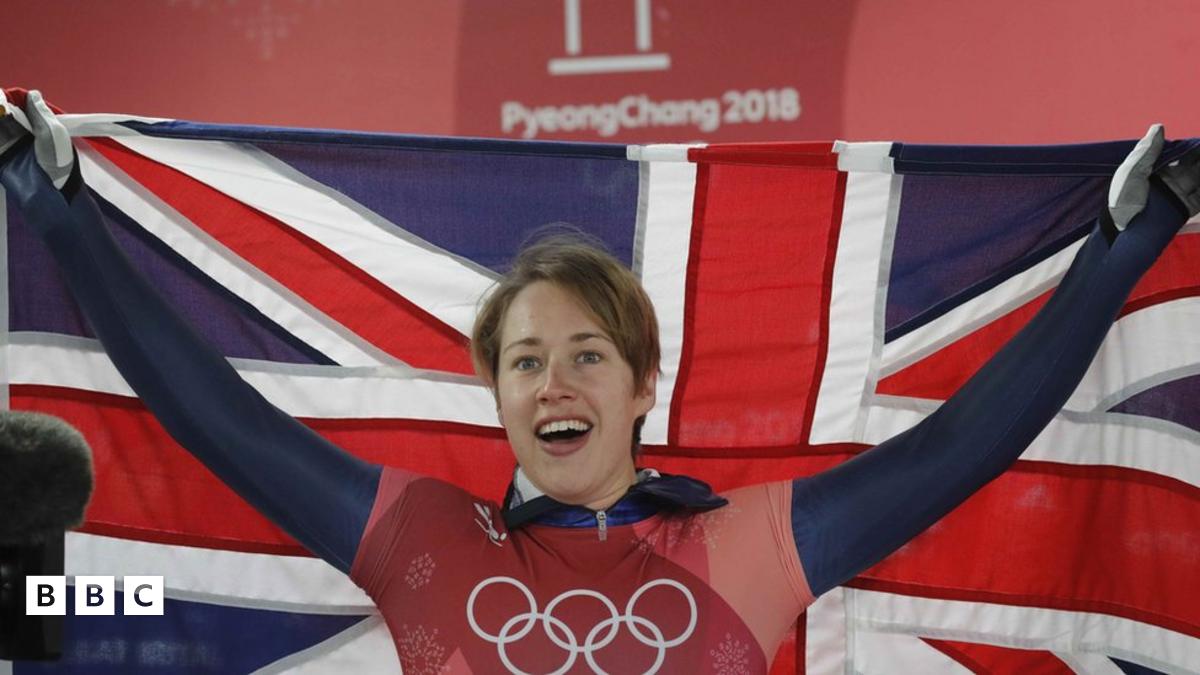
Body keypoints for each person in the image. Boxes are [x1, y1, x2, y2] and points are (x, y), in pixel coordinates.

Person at [2, 89, 1197, 673]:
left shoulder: (744, 547)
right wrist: (56, 215)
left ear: (640, 388)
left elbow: (961, 447)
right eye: (526, 361)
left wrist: (1119, 251)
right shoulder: (423, 539)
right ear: (499, 395)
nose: (555, 383)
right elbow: (215, 418)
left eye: (586, 355)